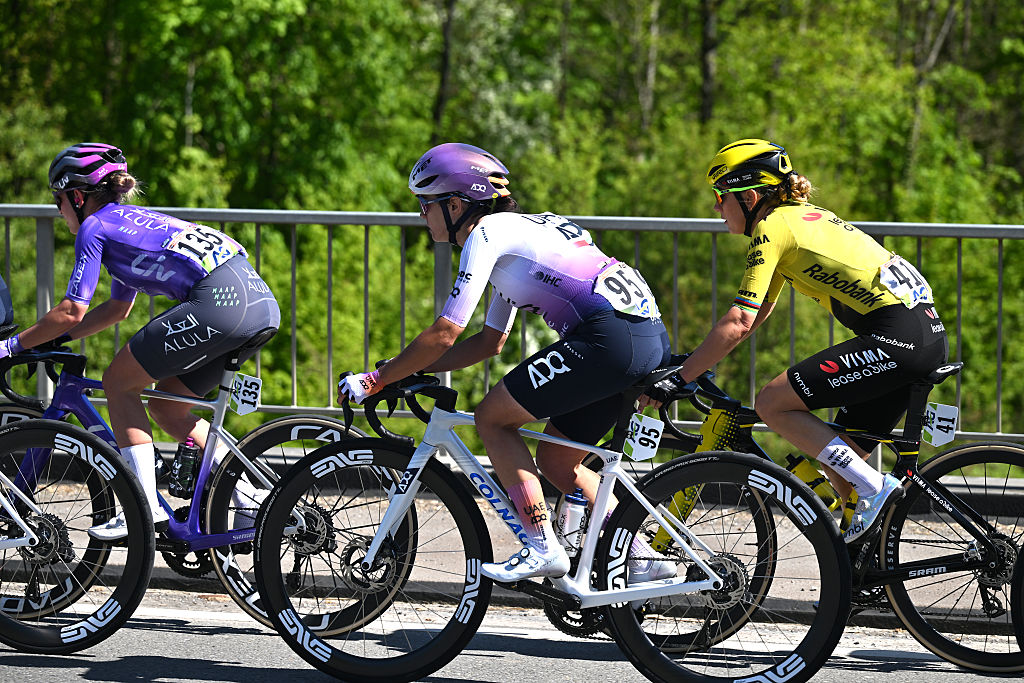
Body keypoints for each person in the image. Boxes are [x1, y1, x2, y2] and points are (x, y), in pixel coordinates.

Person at [339, 142, 674, 582]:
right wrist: (407, 369)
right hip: (644, 336)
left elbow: (446, 332)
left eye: (425, 204)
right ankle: (641, 556)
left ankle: (541, 545)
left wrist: (376, 379)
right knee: (557, 463)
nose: (421, 215)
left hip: (608, 338)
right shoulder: (520, 235)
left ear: (455, 204)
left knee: (492, 419)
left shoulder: (486, 235)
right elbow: (488, 343)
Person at [649, 138, 948, 542]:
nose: (716, 208)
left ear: (750, 196)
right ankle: (862, 566)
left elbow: (738, 321)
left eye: (720, 196)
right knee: (840, 461)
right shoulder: (803, 218)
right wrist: (696, 363)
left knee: (772, 402)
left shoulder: (773, 229)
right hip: (921, 335)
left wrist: (679, 377)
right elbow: (754, 318)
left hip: (899, 338)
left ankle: (876, 488)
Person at [0, 142, 280, 539]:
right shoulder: (129, 222)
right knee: (167, 406)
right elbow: (116, 310)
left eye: (58, 201)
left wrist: (12, 346)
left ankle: (142, 507)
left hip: (222, 302)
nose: (58, 211)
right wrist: (52, 340)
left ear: (77, 196)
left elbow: (72, 310)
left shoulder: (96, 228)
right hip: (258, 303)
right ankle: (249, 494)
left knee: (119, 382)